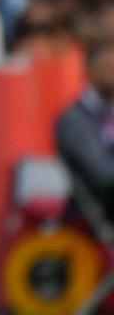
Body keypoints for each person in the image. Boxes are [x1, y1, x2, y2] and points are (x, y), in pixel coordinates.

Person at [56, 37, 114, 219]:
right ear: (90, 70)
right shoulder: (74, 119)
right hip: (95, 213)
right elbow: (102, 175)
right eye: (109, 66)